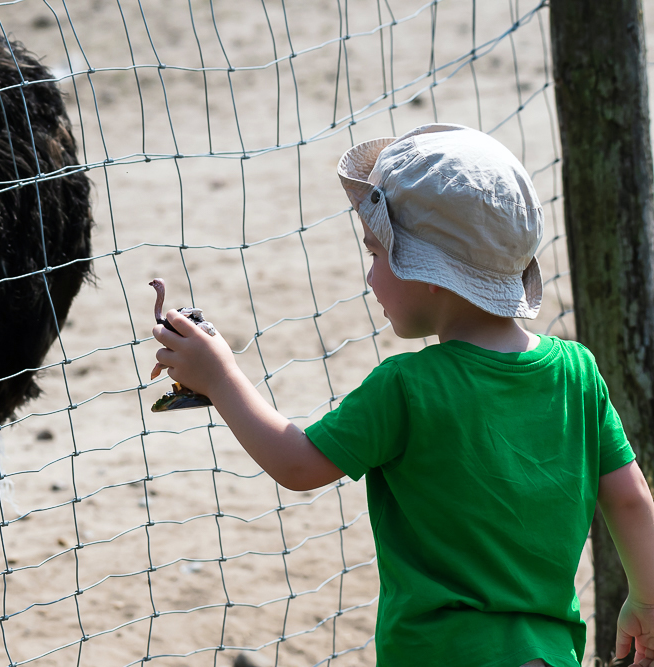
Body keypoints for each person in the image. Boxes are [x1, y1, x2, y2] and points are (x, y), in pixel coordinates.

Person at [151, 124, 654, 666]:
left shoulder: (408, 389)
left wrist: (220, 376)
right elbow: (629, 500)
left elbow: (297, 466)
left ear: (430, 273)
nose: (369, 276)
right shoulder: (578, 374)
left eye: (377, 253)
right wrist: (647, 599)